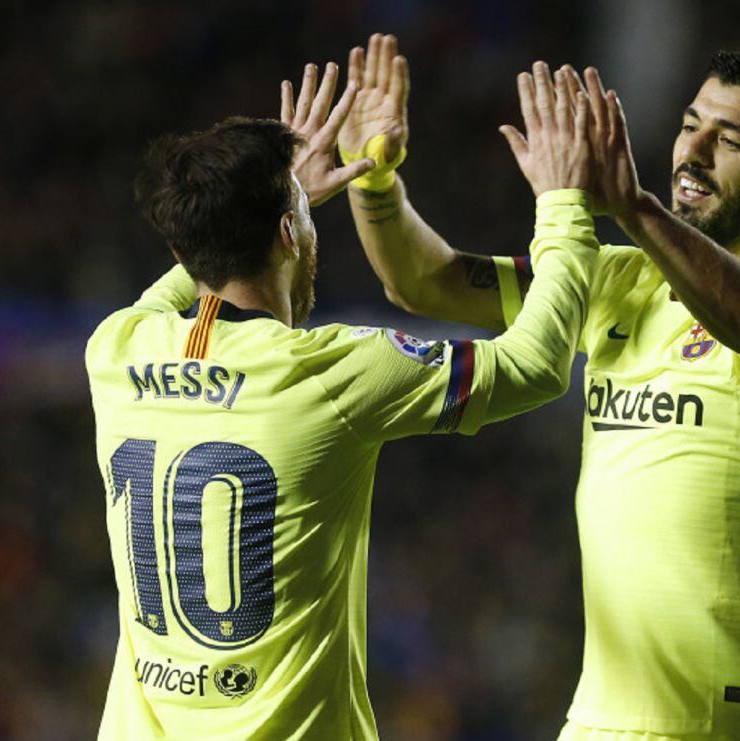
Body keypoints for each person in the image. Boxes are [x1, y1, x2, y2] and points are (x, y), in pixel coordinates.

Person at [341, 34, 740, 740]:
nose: (691, 153)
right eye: (689, 125)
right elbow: (426, 280)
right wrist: (373, 182)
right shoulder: (617, 279)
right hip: (602, 718)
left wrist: (634, 207)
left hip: (738, 713)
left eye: (728, 140)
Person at [87, 58, 602, 738]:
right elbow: (536, 365)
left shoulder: (117, 349)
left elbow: (189, 273)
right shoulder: (331, 371)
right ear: (288, 234)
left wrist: (278, 197)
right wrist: (564, 205)